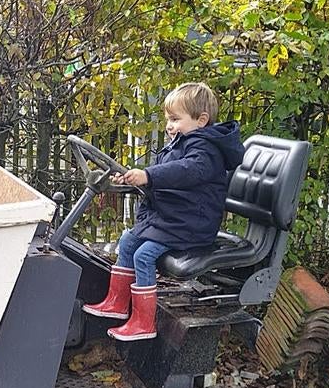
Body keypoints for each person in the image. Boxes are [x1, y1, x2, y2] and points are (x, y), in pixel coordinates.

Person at [82, 82, 245, 341]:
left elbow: (186, 171)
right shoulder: (181, 144)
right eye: (168, 119)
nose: (169, 125)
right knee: (128, 240)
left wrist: (148, 175)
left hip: (192, 223)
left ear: (201, 120)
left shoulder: (205, 151)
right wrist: (130, 177)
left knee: (144, 255)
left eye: (175, 119)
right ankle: (117, 302)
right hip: (172, 218)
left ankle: (143, 321)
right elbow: (165, 175)